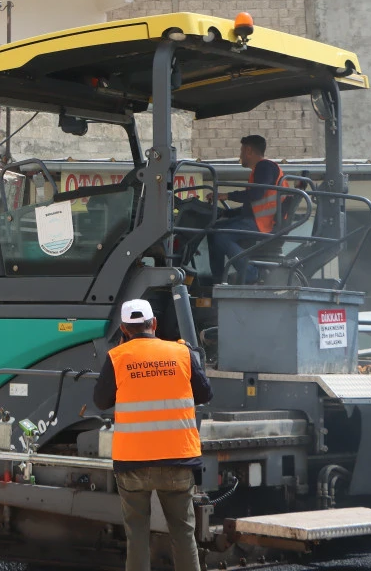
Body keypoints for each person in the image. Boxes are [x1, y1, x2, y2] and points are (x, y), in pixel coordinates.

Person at [94, 299, 212, 571]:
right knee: (183, 533)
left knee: (137, 535)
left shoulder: (118, 358)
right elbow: (205, 394)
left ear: (124, 329)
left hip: (133, 463)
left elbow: (101, 401)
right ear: (154, 324)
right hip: (178, 460)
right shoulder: (182, 353)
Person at [206, 135, 285, 283]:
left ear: (248, 150)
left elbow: (256, 194)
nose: (240, 155)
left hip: (263, 223)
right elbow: (252, 205)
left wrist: (226, 195)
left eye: (241, 151)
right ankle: (217, 279)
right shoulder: (260, 170)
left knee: (221, 236)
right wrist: (226, 213)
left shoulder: (265, 166)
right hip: (256, 220)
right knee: (213, 230)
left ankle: (250, 273)